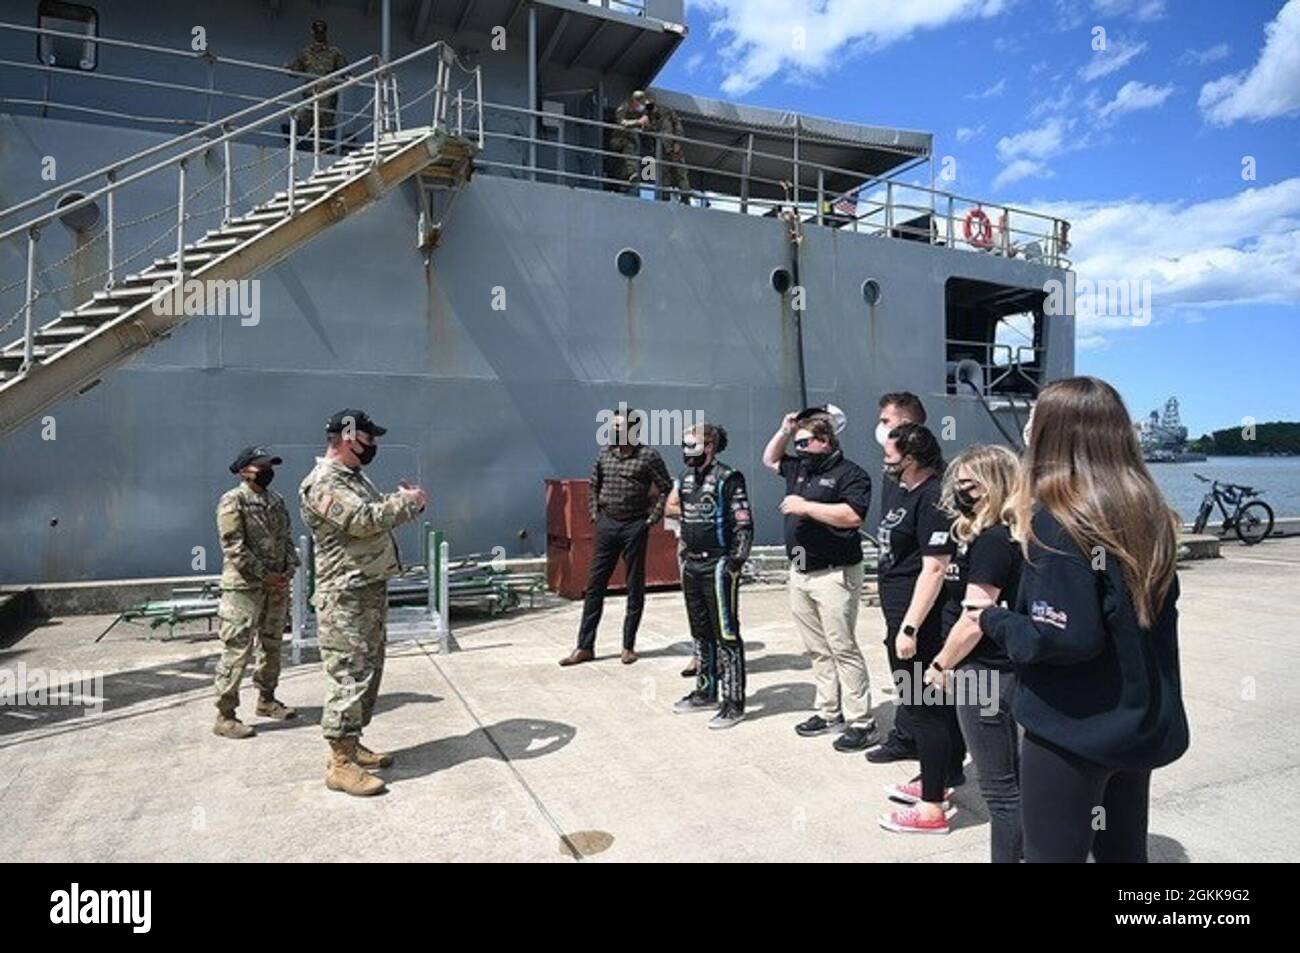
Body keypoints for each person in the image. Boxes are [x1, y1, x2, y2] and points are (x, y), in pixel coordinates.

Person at [969, 377, 1189, 862]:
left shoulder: (1059, 520)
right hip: (1135, 722)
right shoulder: (1147, 511)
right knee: (1123, 852)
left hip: (1073, 730)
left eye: (1035, 417)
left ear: (1053, 432)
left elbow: (1061, 638)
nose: (1026, 426)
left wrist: (994, 620)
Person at [300, 409, 427, 797]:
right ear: (350, 438)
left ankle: (352, 744)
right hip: (345, 595)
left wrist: (400, 500)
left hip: (367, 589)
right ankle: (339, 763)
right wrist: (408, 503)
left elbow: (369, 515)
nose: (375, 445)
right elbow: (361, 521)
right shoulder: (322, 483)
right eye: (370, 438)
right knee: (349, 675)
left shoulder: (352, 478)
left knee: (368, 671)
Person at [926, 444, 1024, 860]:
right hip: (1009, 669)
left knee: (1000, 790)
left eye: (969, 485)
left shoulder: (993, 541)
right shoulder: (1013, 534)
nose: (961, 492)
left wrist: (940, 662)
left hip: (984, 673)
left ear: (993, 486)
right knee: (1018, 781)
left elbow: (974, 616)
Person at [762, 409, 876, 752]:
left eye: (804, 442)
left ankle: (861, 722)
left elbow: (853, 517)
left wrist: (805, 506)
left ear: (825, 441)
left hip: (834, 573)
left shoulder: (851, 474)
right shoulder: (798, 467)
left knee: (842, 647)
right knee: (817, 649)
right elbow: (769, 459)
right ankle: (829, 712)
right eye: (796, 443)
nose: (798, 449)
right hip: (800, 573)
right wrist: (784, 430)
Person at [874, 423, 965, 835]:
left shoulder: (932, 498)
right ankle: (936, 782)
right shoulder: (906, 493)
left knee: (924, 710)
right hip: (900, 618)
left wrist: (909, 627)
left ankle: (931, 811)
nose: (886, 458)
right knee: (926, 708)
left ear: (911, 458)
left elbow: (935, 566)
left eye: (891, 453)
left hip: (921, 626)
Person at [560, 410, 673, 667]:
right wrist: (594, 514)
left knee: (634, 585)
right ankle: (584, 646)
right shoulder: (604, 455)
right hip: (607, 524)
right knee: (595, 585)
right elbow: (593, 485)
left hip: (635, 525)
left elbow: (667, 488)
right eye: (614, 427)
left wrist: (650, 520)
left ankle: (628, 646)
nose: (615, 431)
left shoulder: (648, 456)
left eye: (620, 427)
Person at [665, 423, 753, 729]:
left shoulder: (729, 477)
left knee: (725, 633)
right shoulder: (684, 478)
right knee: (700, 631)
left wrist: (735, 562)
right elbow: (670, 509)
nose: (686, 452)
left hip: (718, 565)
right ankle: (705, 690)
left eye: (693, 446)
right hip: (691, 562)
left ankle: (733, 702)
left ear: (710, 446)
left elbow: (743, 523)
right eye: (683, 446)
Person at [212, 446, 299, 739]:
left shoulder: (276, 500)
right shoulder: (232, 500)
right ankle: (225, 715)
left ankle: (267, 700)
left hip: (275, 587)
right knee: (237, 649)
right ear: (244, 470)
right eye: (261, 465)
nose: (268, 470)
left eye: (269, 465)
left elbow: (286, 537)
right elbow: (233, 546)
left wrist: (289, 568)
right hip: (244, 589)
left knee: (272, 645)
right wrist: (266, 575)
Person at [867, 391, 927, 764]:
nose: (881, 429)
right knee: (900, 664)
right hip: (892, 585)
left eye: (887, 421)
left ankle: (918, 738)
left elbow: (934, 558)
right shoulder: (893, 475)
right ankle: (908, 732)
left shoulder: (929, 481)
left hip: (913, 588)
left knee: (916, 666)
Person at [286, 20, 348, 150]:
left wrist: (348, 78)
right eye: (317, 31)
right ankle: (305, 148)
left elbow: (345, 72)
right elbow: (296, 71)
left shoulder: (334, 52)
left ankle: (321, 151)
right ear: (312, 32)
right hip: (310, 94)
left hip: (327, 96)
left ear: (325, 32)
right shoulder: (306, 52)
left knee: (324, 125)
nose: (320, 34)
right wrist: (288, 68)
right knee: (303, 120)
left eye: (322, 32)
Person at [644, 95, 691, 203]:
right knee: (664, 175)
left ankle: (685, 197)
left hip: (673, 146)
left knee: (681, 172)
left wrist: (677, 142)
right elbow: (648, 134)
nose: (650, 108)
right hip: (660, 150)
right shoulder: (648, 118)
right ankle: (665, 199)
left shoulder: (667, 112)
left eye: (651, 105)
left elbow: (678, 126)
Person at [609, 91, 650, 193]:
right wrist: (638, 122)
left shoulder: (639, 110)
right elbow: (622, 123)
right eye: (640, 103)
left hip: (632, 141)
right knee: (629, 146)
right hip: (617, 139)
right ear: (634, 101)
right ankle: (632, 173)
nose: (641, 106)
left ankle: (626, 182)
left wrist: (646, 122)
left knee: (634, 150)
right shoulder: (624, 107)